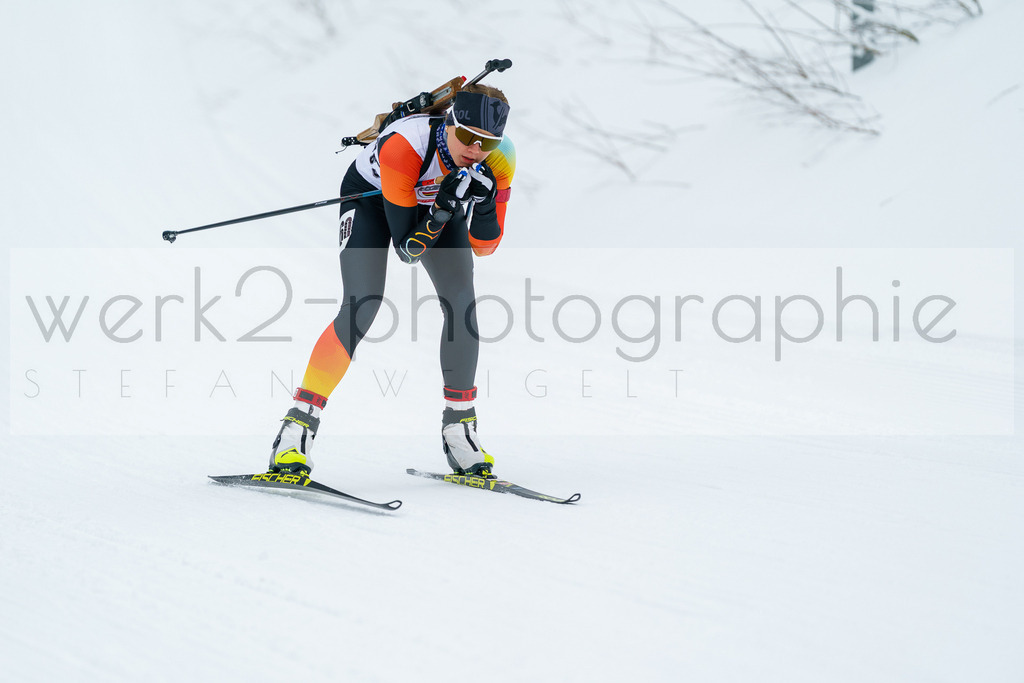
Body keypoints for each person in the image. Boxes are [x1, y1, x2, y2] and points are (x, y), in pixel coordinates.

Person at [267, 84, 515, 480]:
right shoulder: (405, 144)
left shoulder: (500, 160)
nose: (475, 149)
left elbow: (486, 247)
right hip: (371, 199)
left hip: (432, 203)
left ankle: (460, 431)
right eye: (468, 136)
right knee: (363, 303)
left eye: (487, 142)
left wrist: (484, 205)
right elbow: (408, 249)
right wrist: (443, 207)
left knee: (462, 305)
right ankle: (295, 430)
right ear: (449, 122)